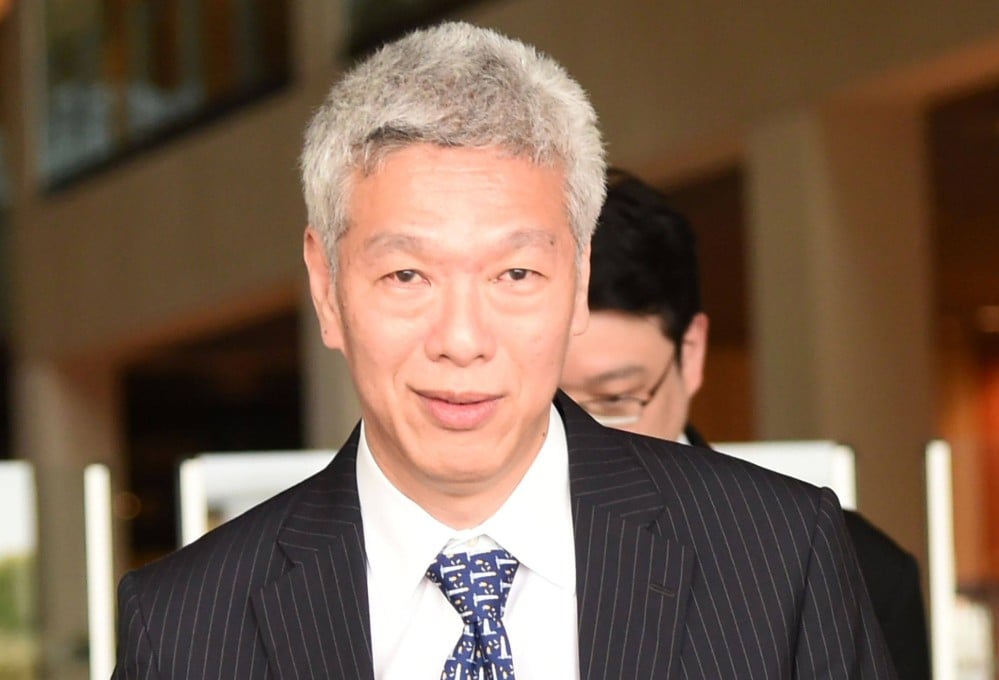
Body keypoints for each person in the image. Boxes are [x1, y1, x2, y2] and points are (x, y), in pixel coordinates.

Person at [113, 23, 895, 679]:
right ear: (327, 287)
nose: (462, 341)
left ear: (578, 279)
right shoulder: (184, 628)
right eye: (407, 275)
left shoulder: (778, 557)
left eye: (515, 274)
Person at [561, 168, 931, 679]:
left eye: (616, 399)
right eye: (556, 403)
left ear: (691, 353)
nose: (580, 436)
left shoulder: (852, 566)